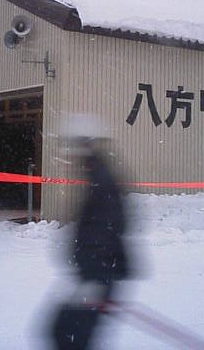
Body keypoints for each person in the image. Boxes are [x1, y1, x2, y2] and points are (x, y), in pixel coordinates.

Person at [49, 114, 133, 349]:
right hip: (95, 275)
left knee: (66, 335)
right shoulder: (96, 175)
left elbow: (112, 227)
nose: (69, 154)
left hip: (99, 275)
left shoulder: (101, 180)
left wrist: (95, 277)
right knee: (65, 333)